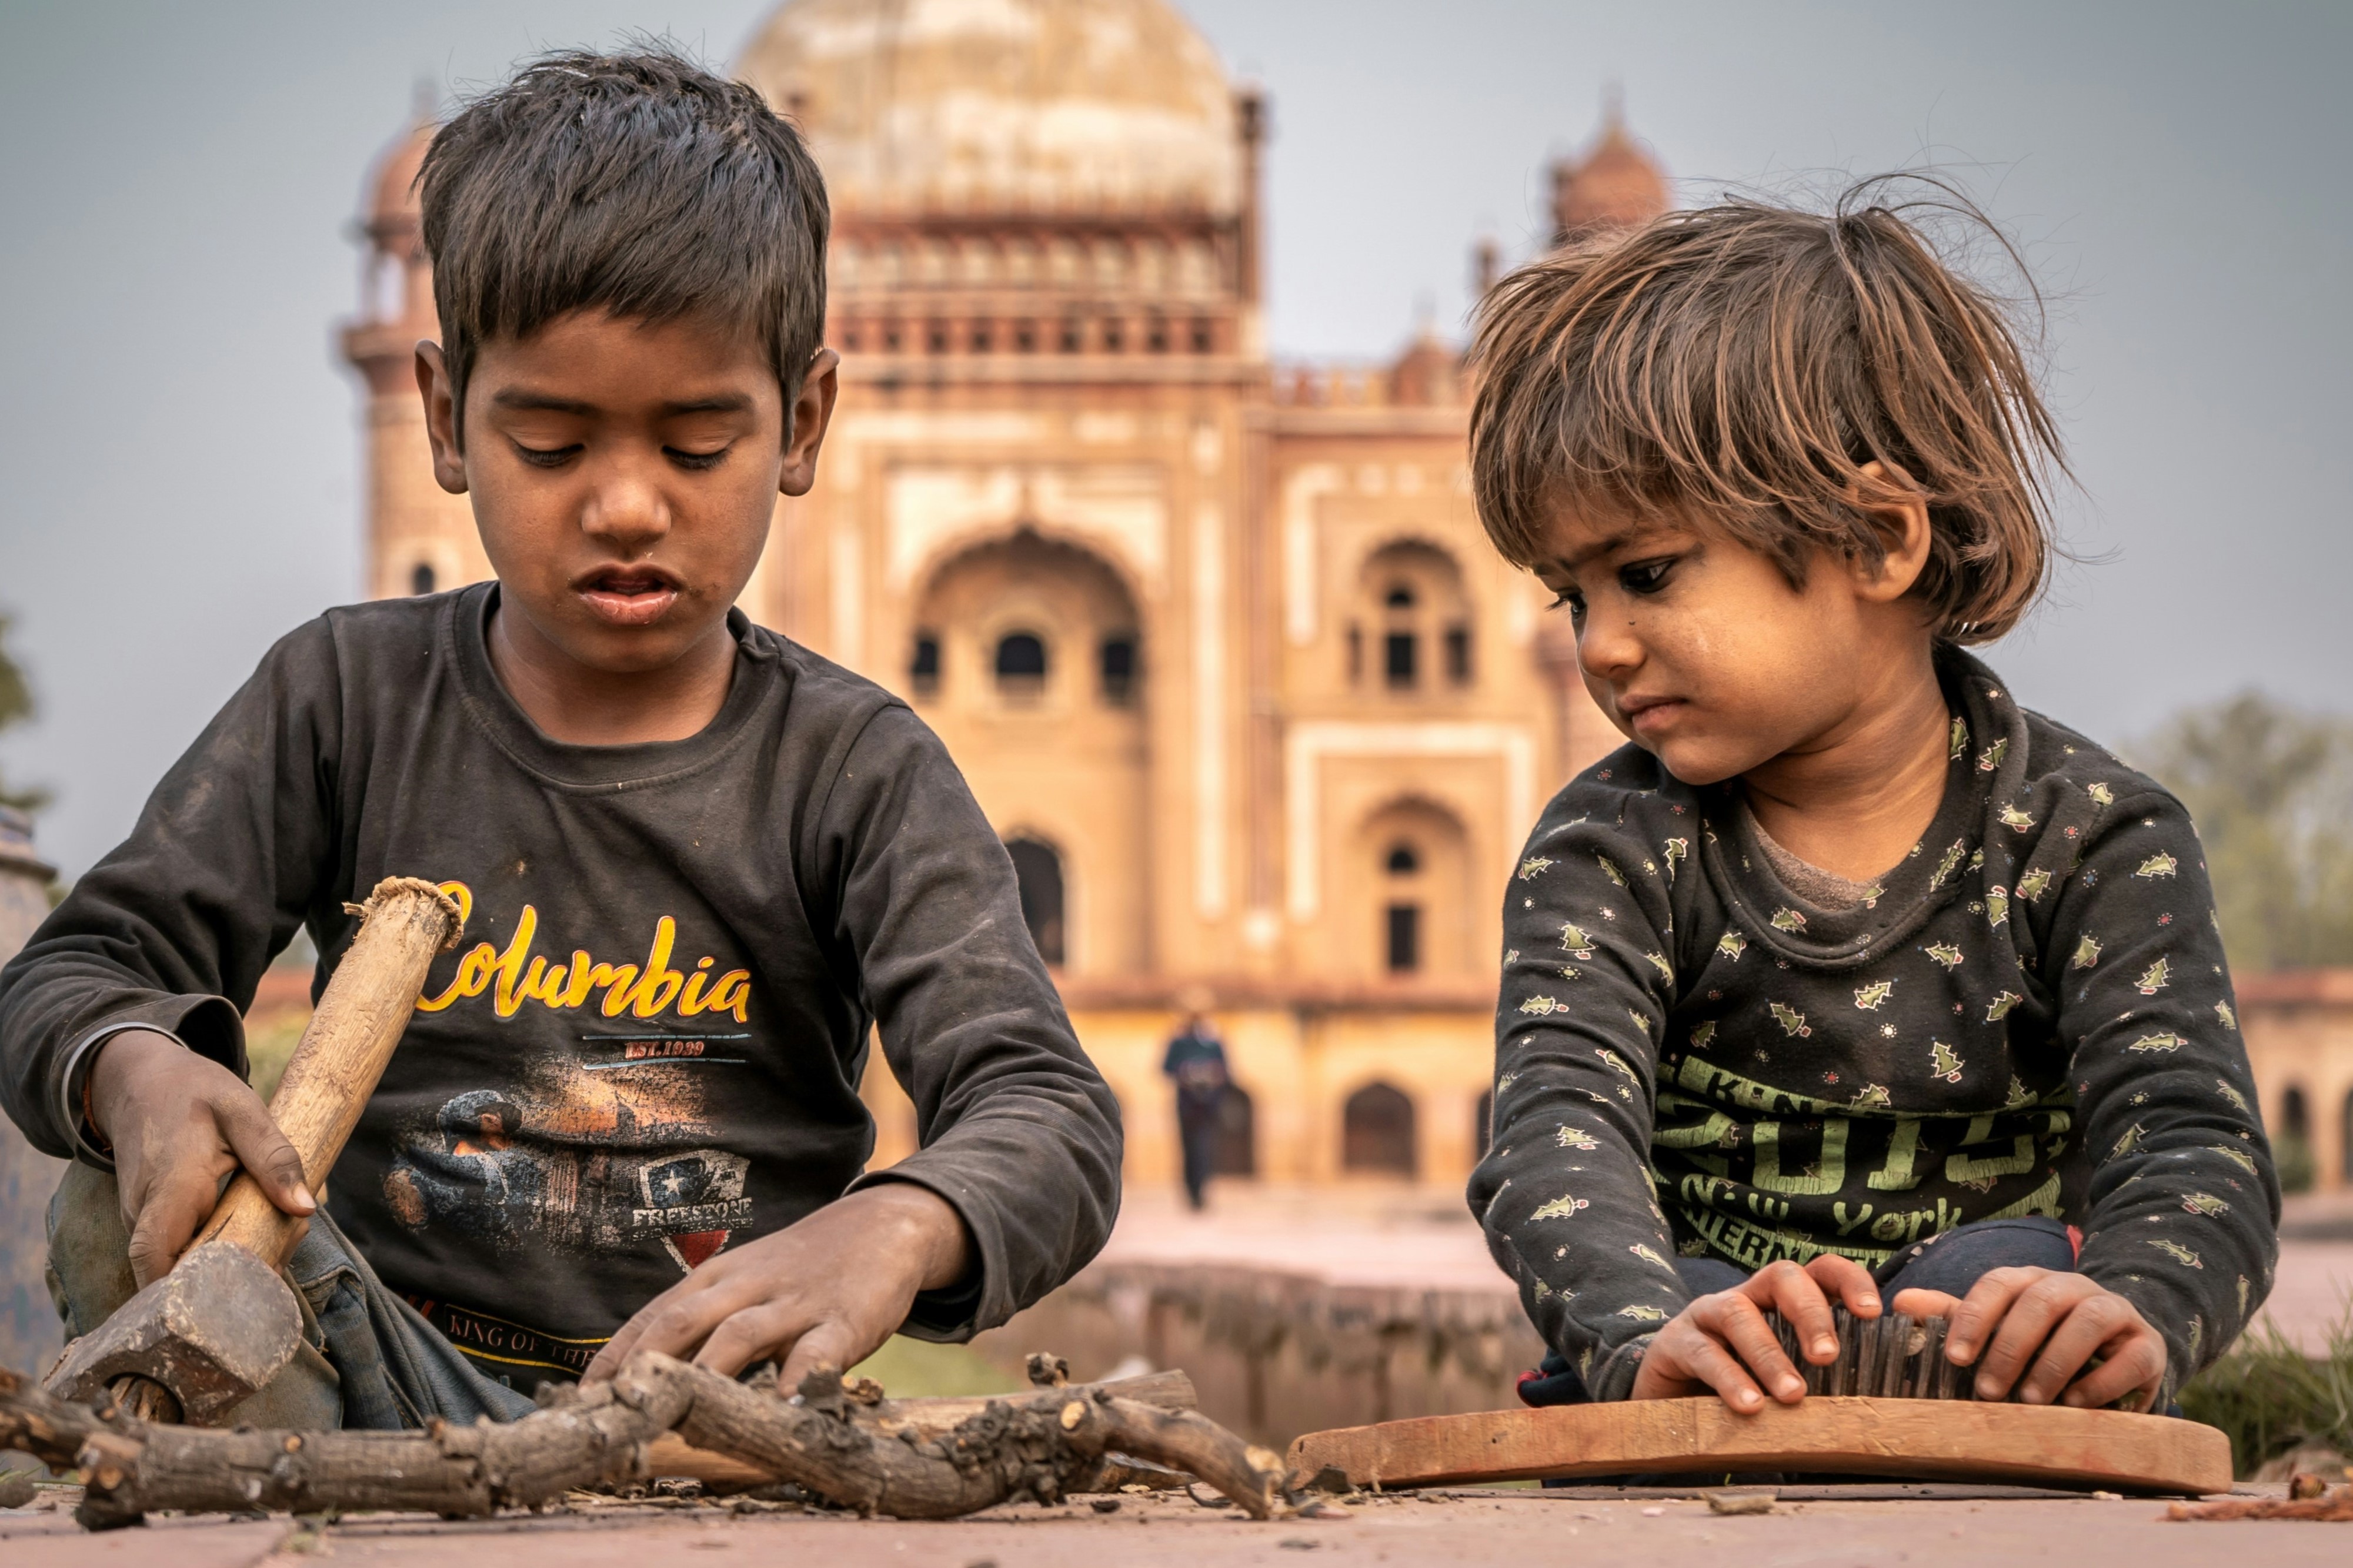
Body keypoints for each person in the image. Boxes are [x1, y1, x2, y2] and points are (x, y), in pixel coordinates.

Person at [0, 48, 1121, 1429]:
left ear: (802, 423)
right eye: (552, 447)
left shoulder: (852, 770)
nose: (628, 507)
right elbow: (79, 972)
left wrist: (894, 1224)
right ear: (443, 418)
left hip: (713, 1412)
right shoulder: (348, 701)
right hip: (363, 1378)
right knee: (118, 1200)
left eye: (697, 448)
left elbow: (1045, 1111)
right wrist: (140, 1066)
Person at [1465, 180, 2277, 1420]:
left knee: (1998, 1282)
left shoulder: (2087, 838)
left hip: (1992, 1358)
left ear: (1874, 538)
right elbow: (1552, 1136)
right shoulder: (1610, 847)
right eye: (1572, 597)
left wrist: (2133, 1307)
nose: (1602, 646)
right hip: (1714, 1351)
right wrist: (1641, 1333)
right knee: (1696, 1309)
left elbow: (2186, 1140)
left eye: (1643, 574)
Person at [1160, 1008, 1231, 1211]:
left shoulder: (1213, 1044)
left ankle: (1201, 1191)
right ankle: (1191, 1191)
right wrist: (1186, 1073)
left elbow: (1226, 1071)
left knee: (1205, 1148)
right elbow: (1167, 1068)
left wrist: (1212, 1076)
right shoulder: (1179, 1044)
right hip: (1187, 1103)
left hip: (1208, 1104)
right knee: (1189, 1149)